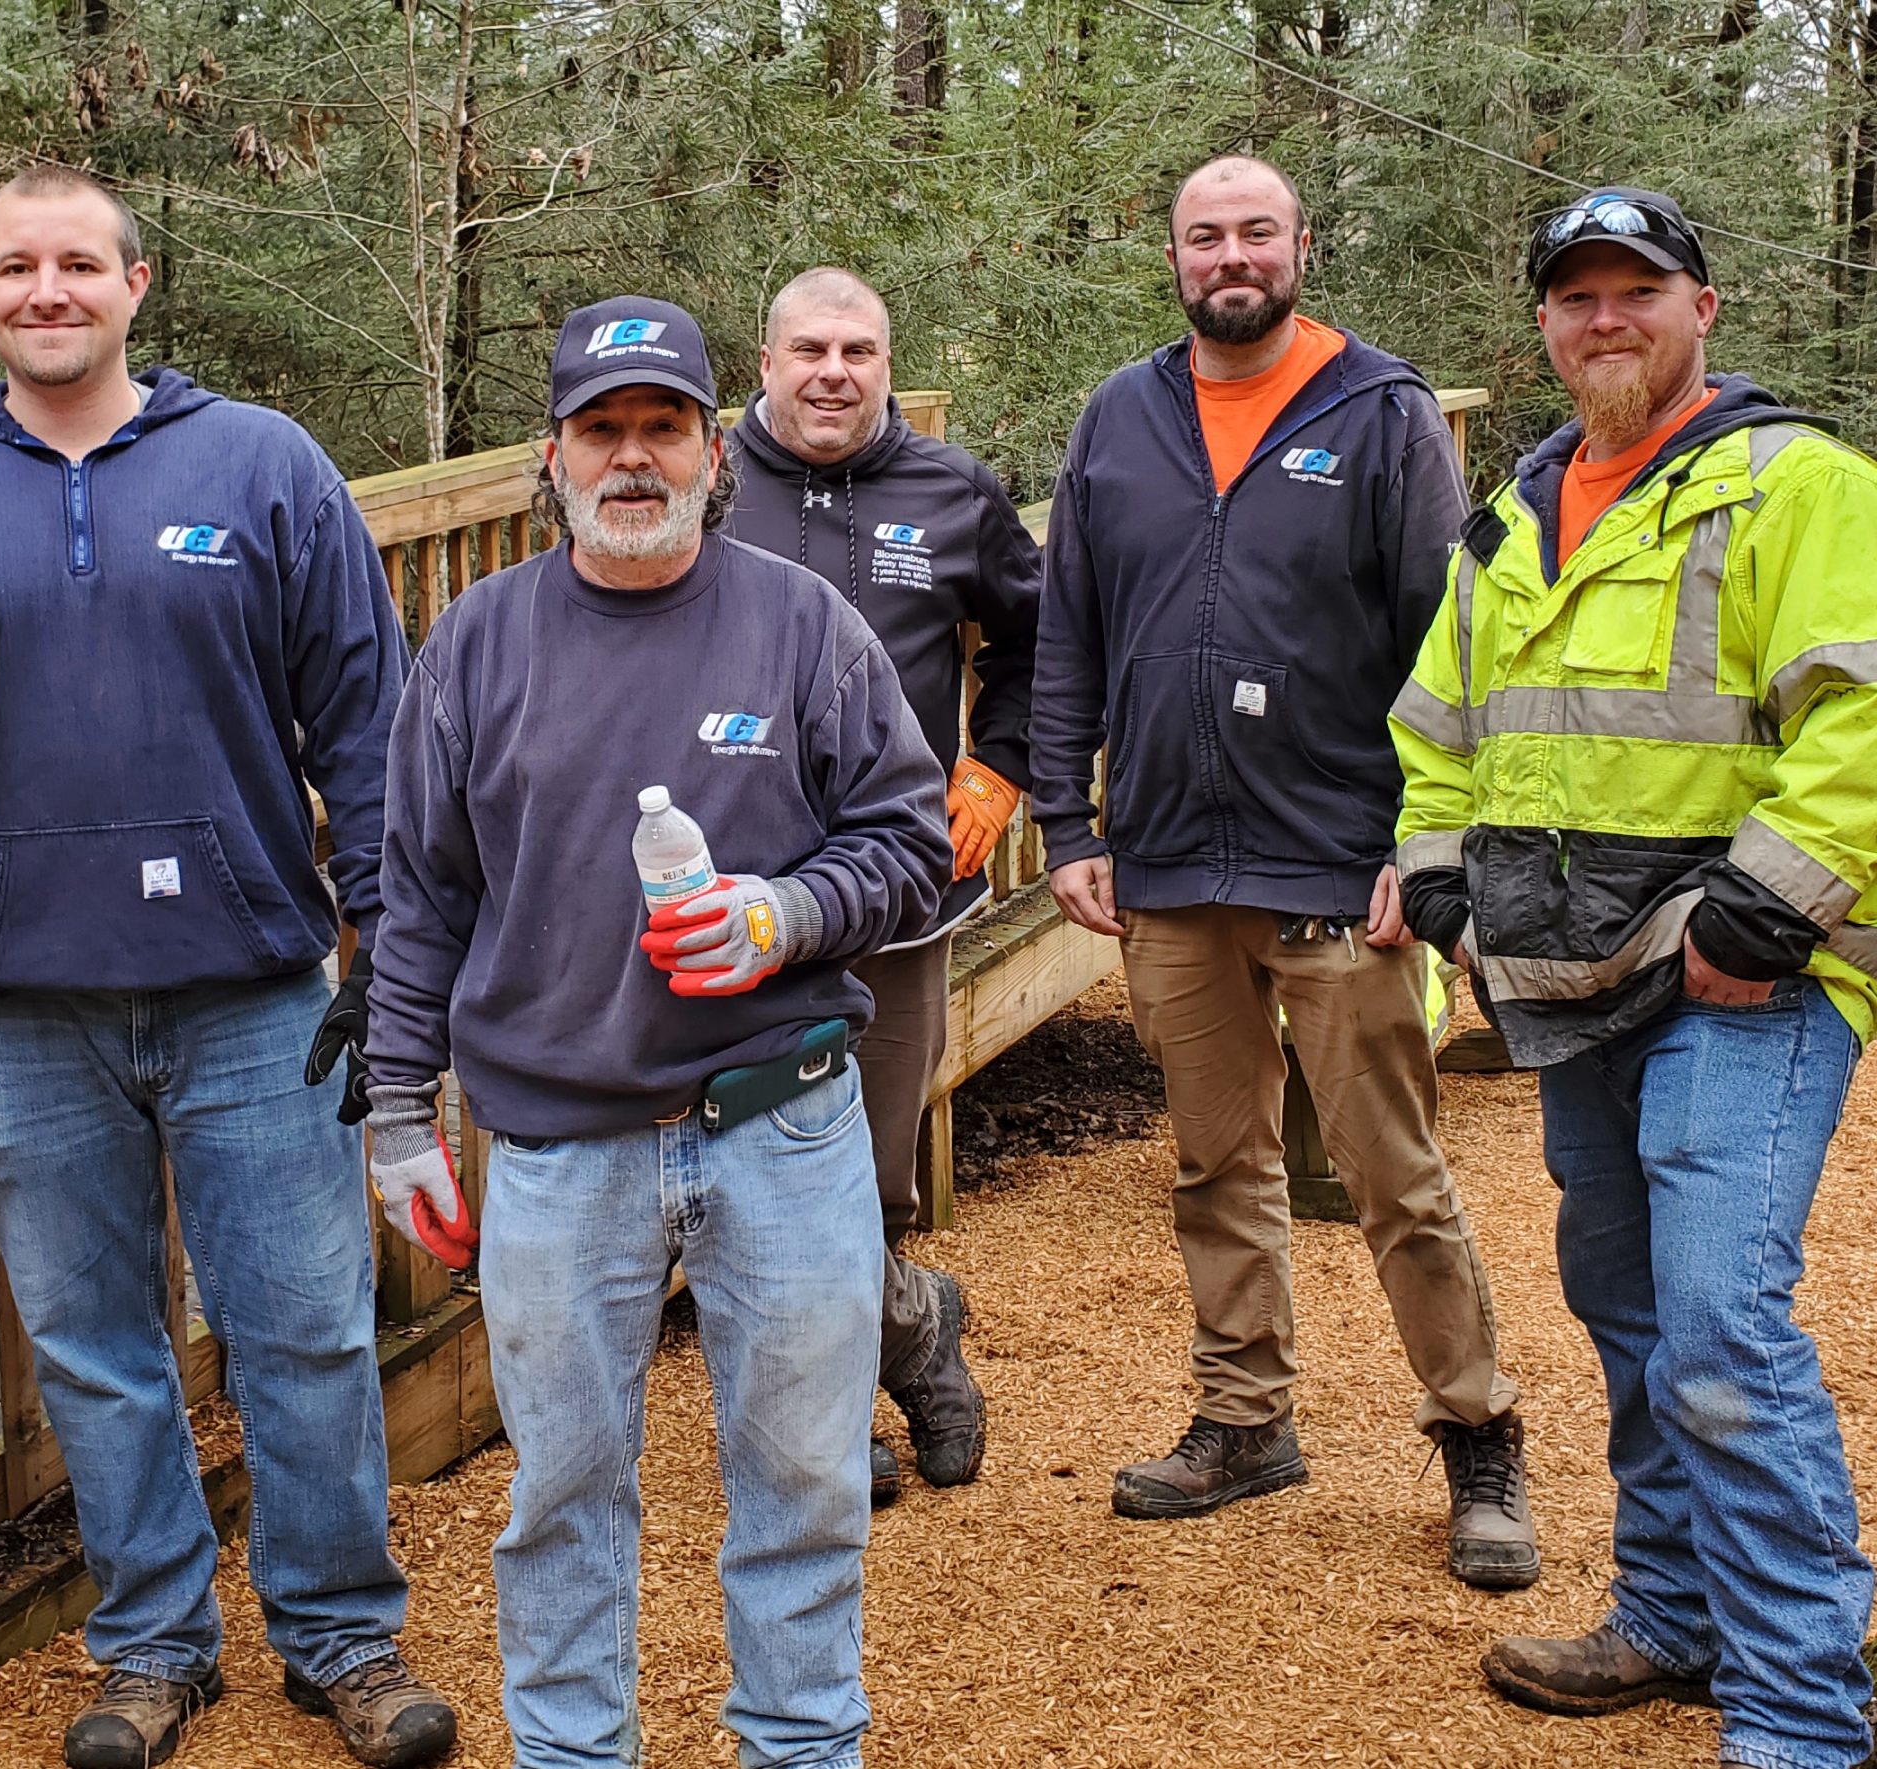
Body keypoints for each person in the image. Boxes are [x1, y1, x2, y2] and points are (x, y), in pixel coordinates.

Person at [0, 166, 454, 1769]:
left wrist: (389, 946)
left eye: (77, 263)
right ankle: (151, 1649)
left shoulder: (260, 465)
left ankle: (340, 1637)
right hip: (13, 1002)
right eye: (12, 266)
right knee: (96, 1345)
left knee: (308, 1328)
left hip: (254, 985)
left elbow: (370, 723)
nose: (44, 290)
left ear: (138, 284)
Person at [361, 297, 950, 1769]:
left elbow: (908, 841)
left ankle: (801, 1748)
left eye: (663, 427)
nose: (633, 459)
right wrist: (391, 1108)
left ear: (709, 448)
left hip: (784, 1121)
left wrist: (781, 917)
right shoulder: (478, 644)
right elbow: (421, 897)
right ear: (550, 458)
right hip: (558, 1144)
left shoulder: (804, 624)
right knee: (562, 1493)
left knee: (805, 1484)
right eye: (601, 430)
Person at [1392, 187, 1877, 1769]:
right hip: (1571, 978)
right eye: (1578, 297)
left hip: (1743, 977)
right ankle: (1672, 1613)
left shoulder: (1793, 482)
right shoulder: (1516, 512)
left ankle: (1803, 1712)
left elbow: (1863, 717)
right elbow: (1436, 730)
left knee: (1724, 1328)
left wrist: (1770, 910)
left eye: (1639, 291)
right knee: (1625, 1302)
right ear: (1543, 320)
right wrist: (1445, 871)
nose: (1607, 320)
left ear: (1703, 307)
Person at [1028, 153, 1537, 1588]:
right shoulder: (1121, 418)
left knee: (1394, 1174)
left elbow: (1452, 645)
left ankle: (1478, 1433)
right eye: (1206, 235)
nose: (1231, 255)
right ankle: (1246, 1419)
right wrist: (1069, 825)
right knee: (1213, 1163)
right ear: (1174, 253)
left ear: (1301, 245)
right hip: (1172, 865)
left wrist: (1423, 846)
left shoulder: (1376, 411)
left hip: (1338, 859)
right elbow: (1068, 626)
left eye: (1256, 231)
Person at [727, 266, 1036, 1503]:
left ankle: (869, 1353)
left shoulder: (950, 491)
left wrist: (999, 764)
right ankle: (878, 1361)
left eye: (858, 349)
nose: (832, 372)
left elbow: (1039, 637)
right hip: (735, 895)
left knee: (873, 1165)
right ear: (765, 363)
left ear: (887, 364)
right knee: (745, 1156)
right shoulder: (708, 482)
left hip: (901, 887)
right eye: (808, 348)